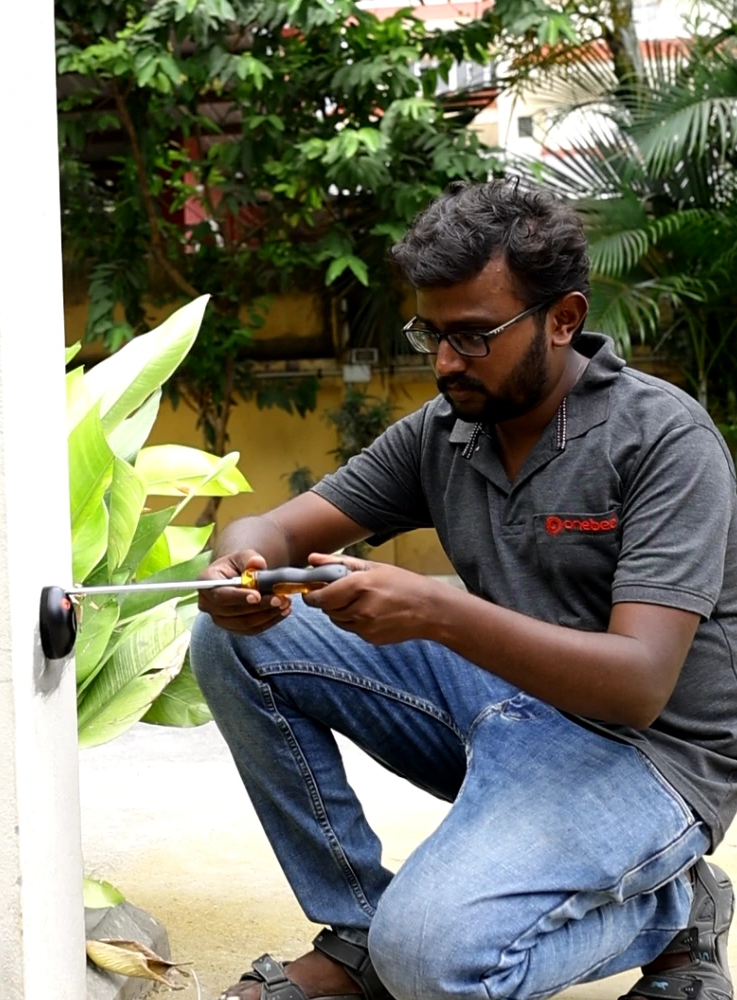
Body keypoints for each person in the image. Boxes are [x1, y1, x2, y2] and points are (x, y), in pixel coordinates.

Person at [189, 180, 737, 1000]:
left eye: (474, 336)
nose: (445, 362)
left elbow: (638, 683)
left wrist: (441, 613)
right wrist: (236, 569)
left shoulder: (662, 441)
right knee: (239, 637)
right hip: (509, 704)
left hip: (650, 756)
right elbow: (273, 530)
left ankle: (672, 905)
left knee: (439, 965)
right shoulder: (446, 430)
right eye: (432, 334)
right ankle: (358, 934)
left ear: (563, 317)